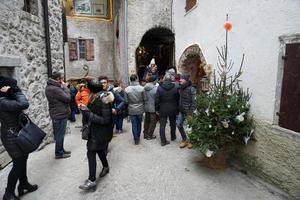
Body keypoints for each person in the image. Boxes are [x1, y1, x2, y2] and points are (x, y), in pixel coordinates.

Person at [0, 76, 38, 200]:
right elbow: (24, 103)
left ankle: (23, 183)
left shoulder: (6, 97)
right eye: (12, 86)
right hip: (11, 136)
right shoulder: (2, 101)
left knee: (23, 157)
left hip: (16, 133)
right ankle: (8, 193)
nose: (16, 88)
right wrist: (15, 91)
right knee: (18, 162)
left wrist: (12, 91)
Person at [79, 79, 114, 191]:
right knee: (98, 150)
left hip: (101, 131)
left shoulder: (104, 99)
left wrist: (88, 113)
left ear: (91, 90)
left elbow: (106, 120)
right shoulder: (95, 96)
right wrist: (85, 110)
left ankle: (92, 180)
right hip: (95, 130)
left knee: (91, 152)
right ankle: (106, 166)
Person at [45, 72, 71, 159]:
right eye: (61, 79)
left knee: (60, 134)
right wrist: (65, 88)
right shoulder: (55, 89)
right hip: (60, 114)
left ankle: (61, 150)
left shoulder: (50, 87)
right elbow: (67, 98)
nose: (62, 80)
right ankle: (59, 153)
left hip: (57, 113)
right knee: (60, 135)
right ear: (58, 79)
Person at [155, 74, 180, 146]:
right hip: (173, 107)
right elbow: (178, 99)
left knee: (162, 125)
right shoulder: (175, 87)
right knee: (172, 124)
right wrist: (177, 108)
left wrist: (157, 109)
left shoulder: (159, 88)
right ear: (171, 79)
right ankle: (173, 136)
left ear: (164, 79)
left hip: (163, 108)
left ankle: (163, 141)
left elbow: (157, 100)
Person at [177, 74, 197, 149]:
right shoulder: (180, 87)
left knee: (190, 127)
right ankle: (184, 139)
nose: (180, 80)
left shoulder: (191, 89)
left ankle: (191, 141)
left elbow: (194, 101)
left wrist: (191, 111)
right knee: (179, 124)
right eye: (180, 78)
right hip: (182, 110)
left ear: (186, 80)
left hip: (189, 111)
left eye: (182, 79)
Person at [124, 74, 145, 145]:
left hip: (131, 108)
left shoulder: (127, 89)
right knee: (139, 123)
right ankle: (138, 136)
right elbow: (144, 99)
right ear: (136, 79)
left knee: (134, 124)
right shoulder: (142, 88)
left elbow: (126, 101)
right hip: (140, 108)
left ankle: (136, 138)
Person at [143, 75, 158, 140]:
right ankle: (149, 135)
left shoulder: (144, 87)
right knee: (153, 122)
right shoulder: (155, 89)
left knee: (147, 121)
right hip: (152, 107)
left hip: (146, 107)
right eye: (156, 80)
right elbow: (157, 99)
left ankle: (145, 134)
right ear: (154, 81)